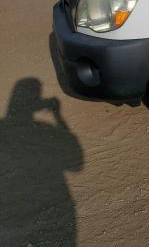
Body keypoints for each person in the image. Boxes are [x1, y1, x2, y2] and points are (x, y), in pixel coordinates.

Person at [0, 78, 83, 246]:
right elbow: (76, 163)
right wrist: (57, 115)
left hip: (10, 217)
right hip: (51, 213)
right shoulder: (45, 129)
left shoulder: (3, 128)